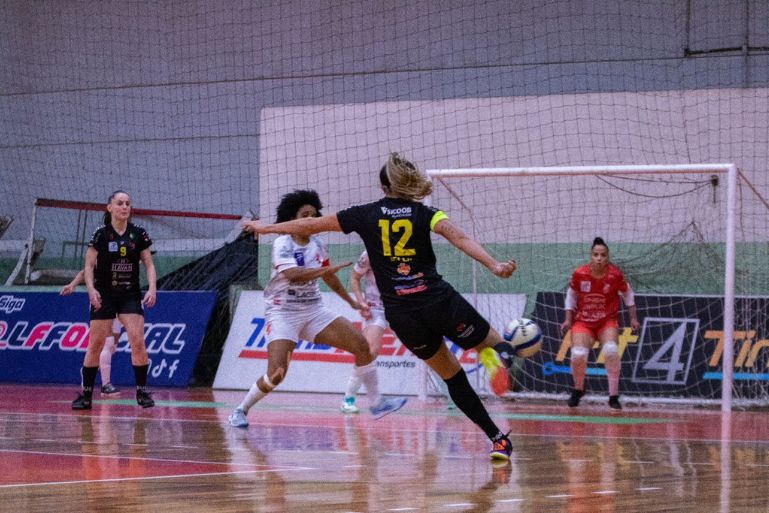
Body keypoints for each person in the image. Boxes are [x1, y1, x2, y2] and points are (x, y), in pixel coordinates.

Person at [242, 153, 519, 461]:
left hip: (402, 315)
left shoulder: (364, 214)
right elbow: (460, 238)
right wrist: (494, 265)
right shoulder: (427, 213)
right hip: (437, 299)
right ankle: (496, 358)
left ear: (383, 186)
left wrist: (265, 228)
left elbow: (311, 223)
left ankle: (498, 440)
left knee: (452, 377)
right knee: (497, 343)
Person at [228, 189, 407, 428]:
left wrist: (350, 301)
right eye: (305, 215)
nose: (310, 220)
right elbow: (292, 274)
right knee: (276, 374)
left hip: (314, 311)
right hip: (283, 313)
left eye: (314, 215)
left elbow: (330, 279)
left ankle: (376, 403)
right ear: (294, 219)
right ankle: (241, 410)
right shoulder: (283, 242)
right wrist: (324, 271)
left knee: (362, 346)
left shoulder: (318, 244)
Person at [72, 190, 157, 410]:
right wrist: (90, 289)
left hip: (129, 294)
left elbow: (148, 264)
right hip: (104, 294)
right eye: (119, 203)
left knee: (138, 341)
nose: (124, 207)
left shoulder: (138, 234)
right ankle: (87, 395)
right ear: (109, 207)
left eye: (128, 203)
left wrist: (152, 289)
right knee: (96, 345)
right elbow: (88, 266)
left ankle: (142, 392)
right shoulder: (100, 234)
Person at [341, 249, 454, 413]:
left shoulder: (406, 253)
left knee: (428, 347)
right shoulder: (369, 253)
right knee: (370, 352)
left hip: (400, 309)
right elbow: (354, 278)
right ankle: (348, 399)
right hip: (375, 309)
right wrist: (361, 302)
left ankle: (450, 393)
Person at [559, 237, 640, 410]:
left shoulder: (615, 275)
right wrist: (568, 318)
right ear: (591, 256)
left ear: (607, 257)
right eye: (596, 254)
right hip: (583, 322)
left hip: (606, 322)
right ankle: (578, 389)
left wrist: (633, 317)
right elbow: (571, 295)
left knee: (611, 351)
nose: (599, 258)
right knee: (578, 354)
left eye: (603, 255)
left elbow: (628, 293)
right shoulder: (580, 273)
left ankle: (613, 396)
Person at [61, 270, 121, 395]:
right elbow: (85, 272)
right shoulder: (103, 254)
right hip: (101, 299)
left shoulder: (126, 258)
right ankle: (106, 385)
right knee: (108, 341)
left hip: (120, 301)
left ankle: (87, 370)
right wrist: (72, 285)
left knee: (112, 347)